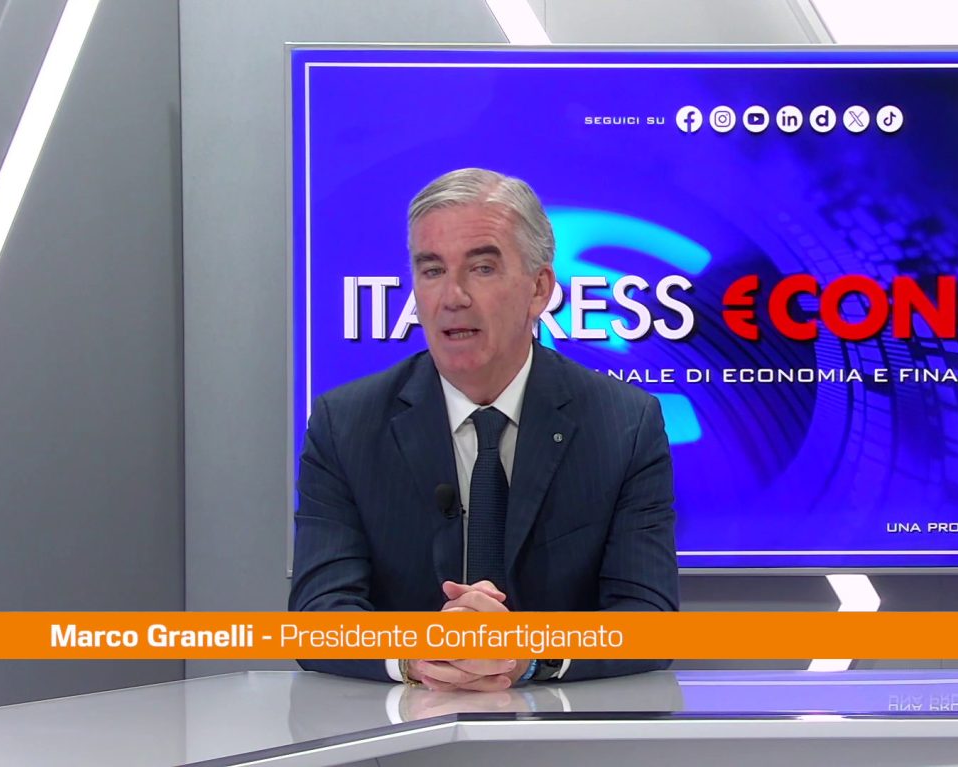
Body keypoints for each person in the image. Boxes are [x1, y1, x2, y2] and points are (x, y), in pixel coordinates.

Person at [289, 168, 679, 689]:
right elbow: (318, 618)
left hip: (562, 725)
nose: (452, 296)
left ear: (539, 289)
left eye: (482, 268)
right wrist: (419, 653)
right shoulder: (345, 424)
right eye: (432, 270)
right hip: (400, 725)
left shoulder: (624, 424)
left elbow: (649, 619)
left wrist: (526, 656)